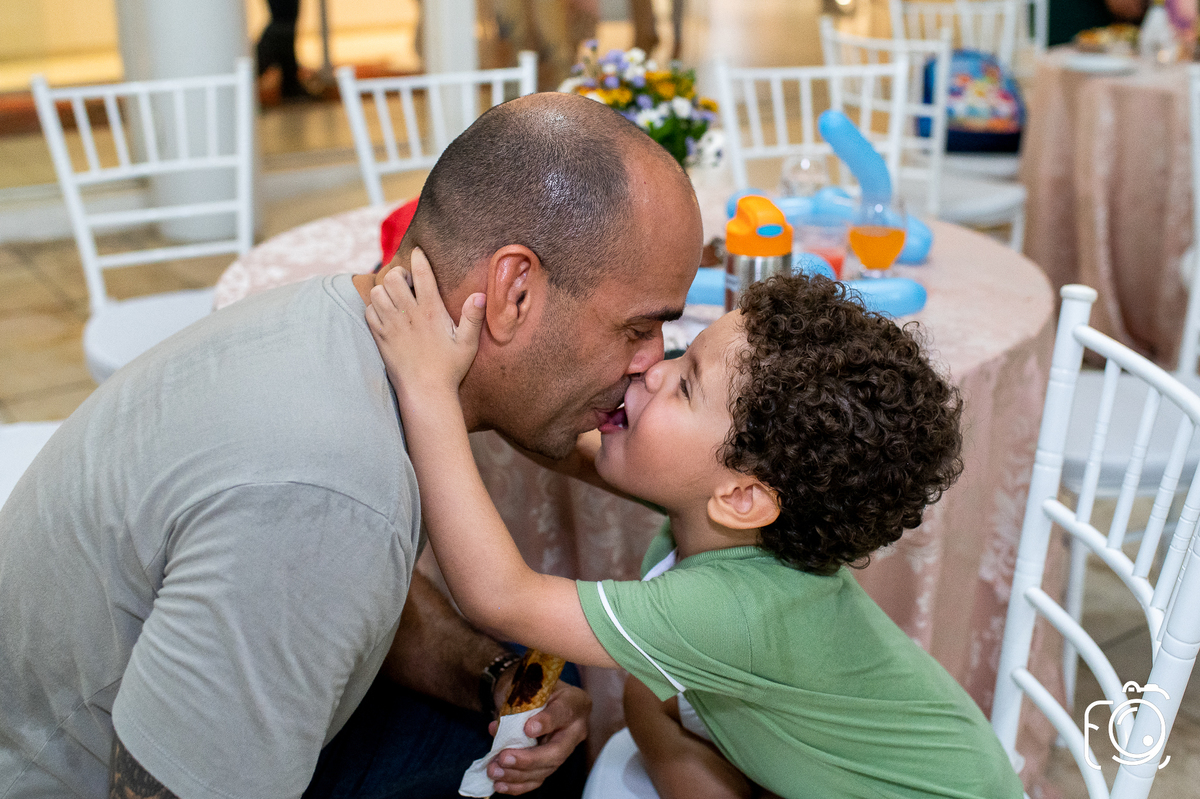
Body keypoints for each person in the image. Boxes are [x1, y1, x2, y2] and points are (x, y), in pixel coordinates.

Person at [0, 91, 703, 798]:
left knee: (546, 684)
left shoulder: (351, 322)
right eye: (638, 328)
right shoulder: (329, 493)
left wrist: (493, 679)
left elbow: (351, 603)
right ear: (514, 290)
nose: (651, 360)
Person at [365, 264, 1027, 799]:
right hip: (949, 762)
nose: (654, 369)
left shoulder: (729, 610)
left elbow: (500, 595)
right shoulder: (727, 530)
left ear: (741, 496)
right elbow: (567, 442)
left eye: (685, 385)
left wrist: (429, 388)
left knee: (647, 692)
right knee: (645, 692)